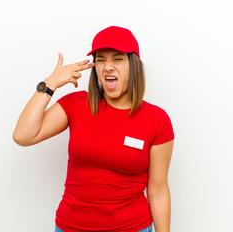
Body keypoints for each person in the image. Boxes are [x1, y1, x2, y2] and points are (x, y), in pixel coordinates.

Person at [13, 26, 175, 232]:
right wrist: (50, 83)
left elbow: (159, 191)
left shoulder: (157, 120)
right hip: (70, 227)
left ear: (133, 65)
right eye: (100, 59)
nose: (108, 67)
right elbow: (23, 135)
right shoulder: (76, 104)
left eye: (118, 59)